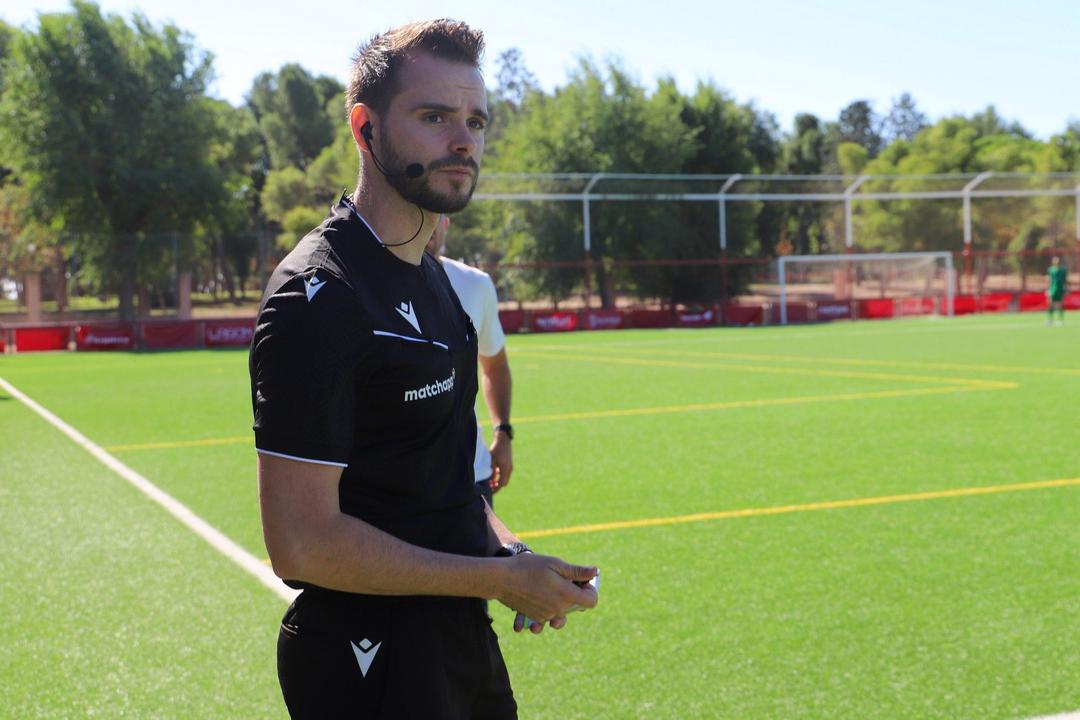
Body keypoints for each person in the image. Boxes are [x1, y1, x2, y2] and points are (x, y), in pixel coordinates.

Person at [249, 20, 597, 719]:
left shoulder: (437, 282)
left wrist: (510, 557)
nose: (464, 140)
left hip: (459, 633)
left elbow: (448, 483)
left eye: (476, 121)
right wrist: (493, 580)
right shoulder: (320, 294)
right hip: (366, 655)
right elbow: (302, 544)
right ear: (366, 128)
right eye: (435, 117)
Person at [426, 215, 512, 507]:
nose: (427, 223)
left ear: (446, 223)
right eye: (418, 209)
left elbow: (495, 364)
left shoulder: (475, 283)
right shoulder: (370, 284)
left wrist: (503, 431)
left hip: (471, 476)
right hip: (398, 485)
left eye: (435, 213)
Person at [1046, 255, 1067, 326]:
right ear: (1053, 262)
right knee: (1050, 304)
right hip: (1053, 289)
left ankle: (1060, 320)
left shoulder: (1063, 270)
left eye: (1057, 260)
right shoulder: (1050, 270)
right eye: (1055, 260)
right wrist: (1048, 289)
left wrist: (1066, 289)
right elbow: (1049, 280)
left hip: (1060, 289)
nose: (1057, 262)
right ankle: (1050, 320)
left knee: (1060, 304)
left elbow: (1065, 280)